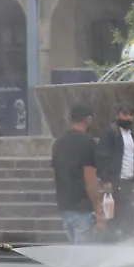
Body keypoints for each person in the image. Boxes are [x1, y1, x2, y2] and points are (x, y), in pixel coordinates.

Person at [51, 103, 104, 245]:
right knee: (82, 256)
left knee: (77, 250)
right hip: (82, 208)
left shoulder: (58, 143)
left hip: (64, 207)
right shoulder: (88, 143)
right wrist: (98, 208)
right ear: (88, 120)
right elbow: (90, 179)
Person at [96, 103, 134, 241]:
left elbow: (133, 156)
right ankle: (117, 240)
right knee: (122, 213)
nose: (128, 117)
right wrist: (105, 179)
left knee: (120, 213)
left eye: (131, 115)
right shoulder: (111, 133)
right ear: (118, 115)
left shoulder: (130, 134)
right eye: (125, 114)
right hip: (115, 180)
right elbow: (102, 156)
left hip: (128, 180)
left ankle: (119, 239)